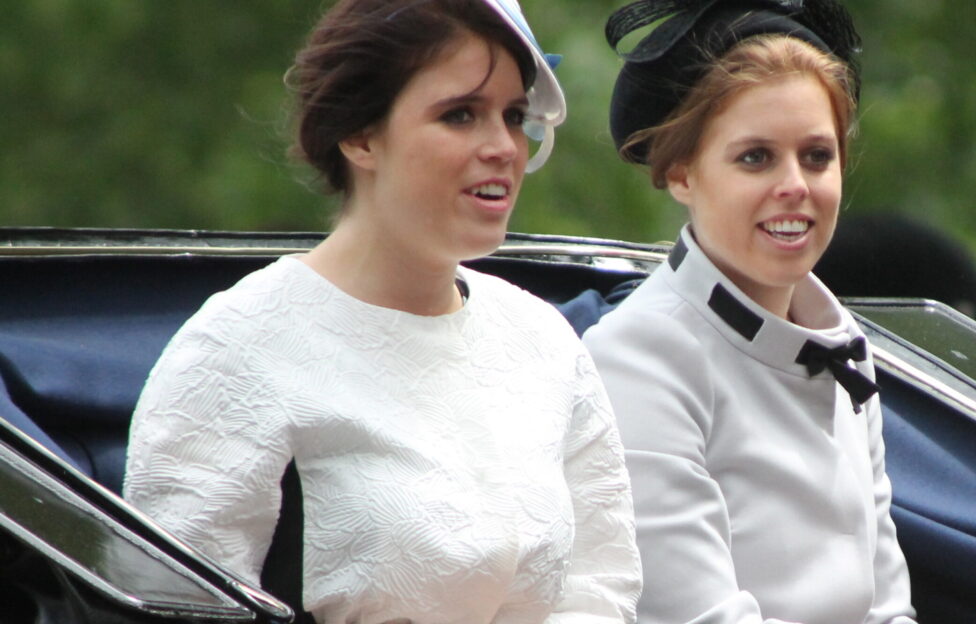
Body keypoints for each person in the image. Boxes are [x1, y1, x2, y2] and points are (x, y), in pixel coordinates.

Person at [122, 1, 641, 622]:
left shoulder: (543, 341)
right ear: (361, 135)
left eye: (513, 116)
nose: (503, 146)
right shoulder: (236, 349)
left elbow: (600, 588)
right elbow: (176, 605)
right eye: (460, 115)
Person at [584, 1, 917, 622]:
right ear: (681, 174)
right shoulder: (637, 359)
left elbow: (887, 604)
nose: (795, 185)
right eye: (755, 157)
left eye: (816, 156)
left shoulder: (843, 347)